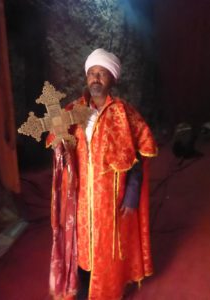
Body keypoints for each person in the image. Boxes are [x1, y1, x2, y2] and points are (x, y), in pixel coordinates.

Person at [48, 48, 158, 300]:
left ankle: (108, 291)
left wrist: (131, 197)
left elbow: (139, 159)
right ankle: (80, 287)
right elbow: (56, 141)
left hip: (112, 202)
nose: (95, 79)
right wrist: (59, 146)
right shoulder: (72, 110)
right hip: (79, 201)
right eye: (91, 73)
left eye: (101, 73)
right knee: (80, 248)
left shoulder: (126, 115)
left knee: (107, 250)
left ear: (112, 78)